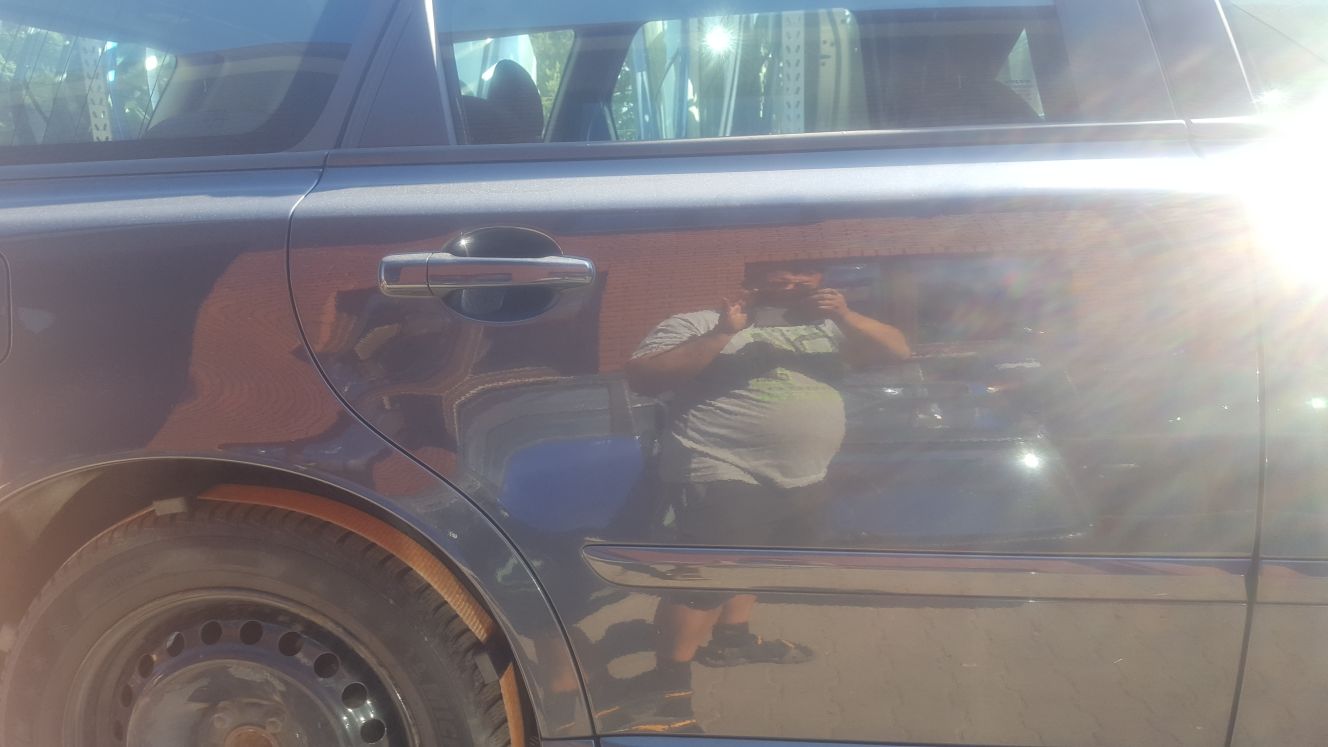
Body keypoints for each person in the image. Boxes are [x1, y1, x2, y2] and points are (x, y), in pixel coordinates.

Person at [615, 261, 909, 731]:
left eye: (803, 272)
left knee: (760, 560)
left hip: (804, 473)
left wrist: (846, 315)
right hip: (719, 465)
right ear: (751, 281)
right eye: (779, 274)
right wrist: (724, 333)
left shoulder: (829, 325)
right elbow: (643, 376)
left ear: (819, 279)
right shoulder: (699, 321)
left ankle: (732, 640)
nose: (792, 281)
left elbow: (898, 351)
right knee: (705, 580)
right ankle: (666, 694)